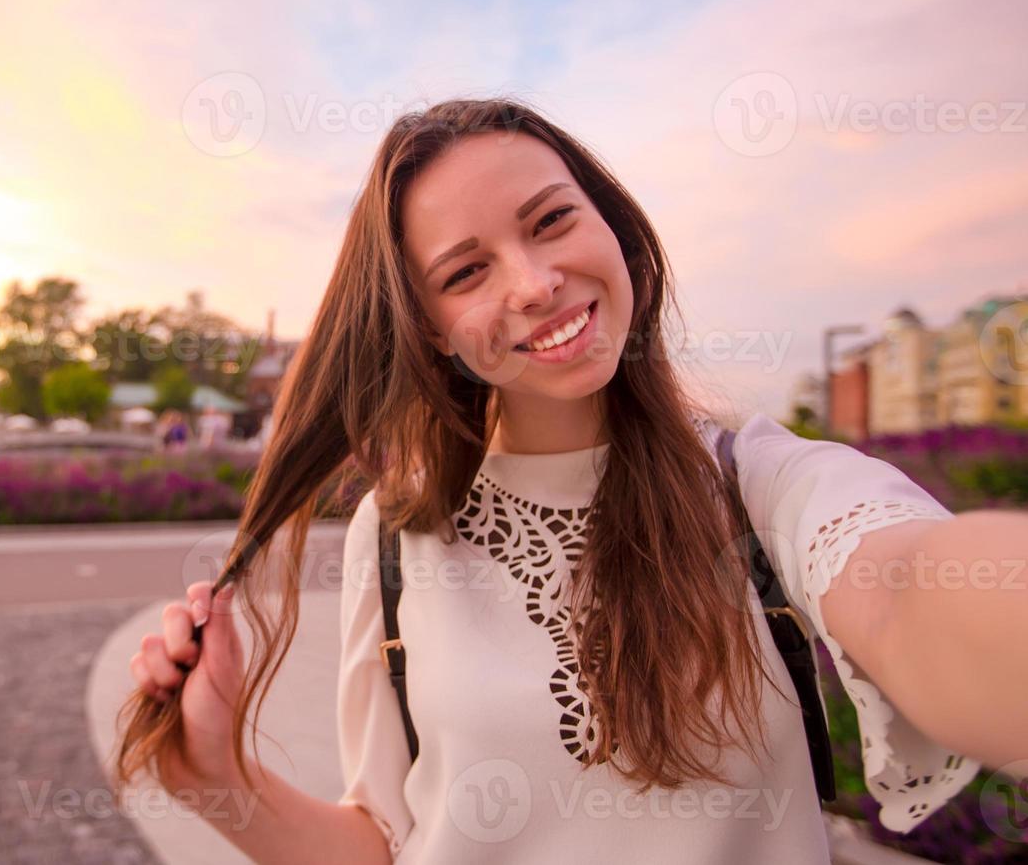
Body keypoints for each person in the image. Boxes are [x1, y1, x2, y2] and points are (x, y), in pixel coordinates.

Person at [114, 98, 1028, 863]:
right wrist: (216, 775)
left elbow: (908, 591)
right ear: (431, 327)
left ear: (613, 229)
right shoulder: (396, 539)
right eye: (467, 271)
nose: (535, 281)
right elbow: (387, 844)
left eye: (552, 220)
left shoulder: (760, 485)